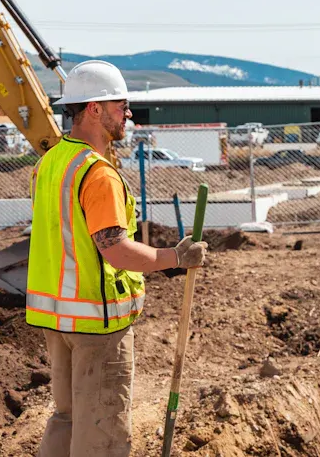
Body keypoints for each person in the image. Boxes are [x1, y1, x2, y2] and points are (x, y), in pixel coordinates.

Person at [26, 60, 207, 457]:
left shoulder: (51, 162)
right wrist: (175, 256)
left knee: (68, 418)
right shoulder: (97, 174)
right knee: (102, 433)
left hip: (57, 319)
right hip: (96, 324)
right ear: (94, 109)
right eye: (121, 105)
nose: (128, 114)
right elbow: (117, 250)